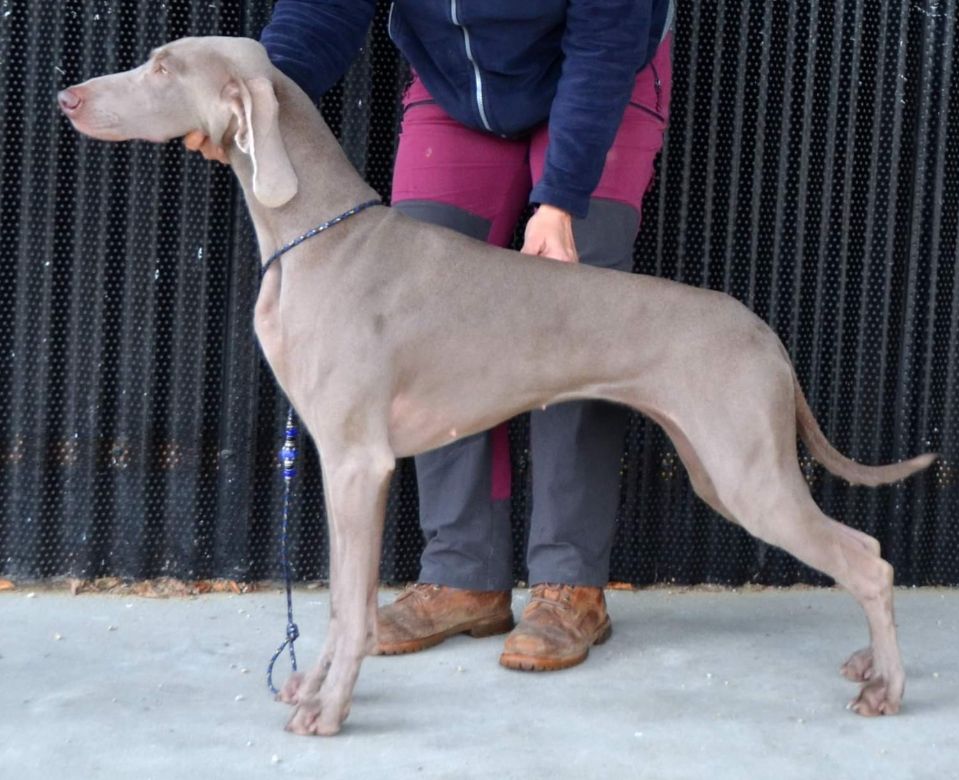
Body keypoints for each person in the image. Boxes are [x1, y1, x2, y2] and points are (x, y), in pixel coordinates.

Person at [187, 0, 674, 672]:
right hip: (458, 85)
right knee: (424, 317)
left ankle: (570, 584)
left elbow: (605, 35)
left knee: (574, 319)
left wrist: (561, 199)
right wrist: (248, 106)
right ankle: (462, 573)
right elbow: (320, 11)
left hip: (599, 75)